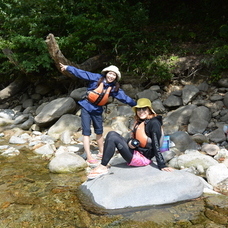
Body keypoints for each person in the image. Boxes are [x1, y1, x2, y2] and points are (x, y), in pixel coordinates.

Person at [60, 63, 136, 165]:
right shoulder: (96, 78)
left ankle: (101, 151)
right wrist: (68, 68)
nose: (111, 76)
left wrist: (136, 106)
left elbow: (125, 98)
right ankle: (89, 155)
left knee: (99, 131)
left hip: (97, 110)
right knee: (86, 132)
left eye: (114, 75)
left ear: (116, 77)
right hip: (86, 106)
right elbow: (82, 73)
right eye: (110, 73)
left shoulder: (114, 88)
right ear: (106, 73)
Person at [87, 98, 174, 179]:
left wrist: (162, 164)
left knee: (113, 137)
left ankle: (103, 166)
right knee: (112, 133)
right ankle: (103, 164)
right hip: (137, 152)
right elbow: (133, 139)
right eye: (139, 109)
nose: (141, 111)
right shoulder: (141, 122)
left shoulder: (154, 123)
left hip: (143, 159)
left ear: (149, 110)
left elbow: (156, 143)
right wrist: (130, 142)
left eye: (144, 109)